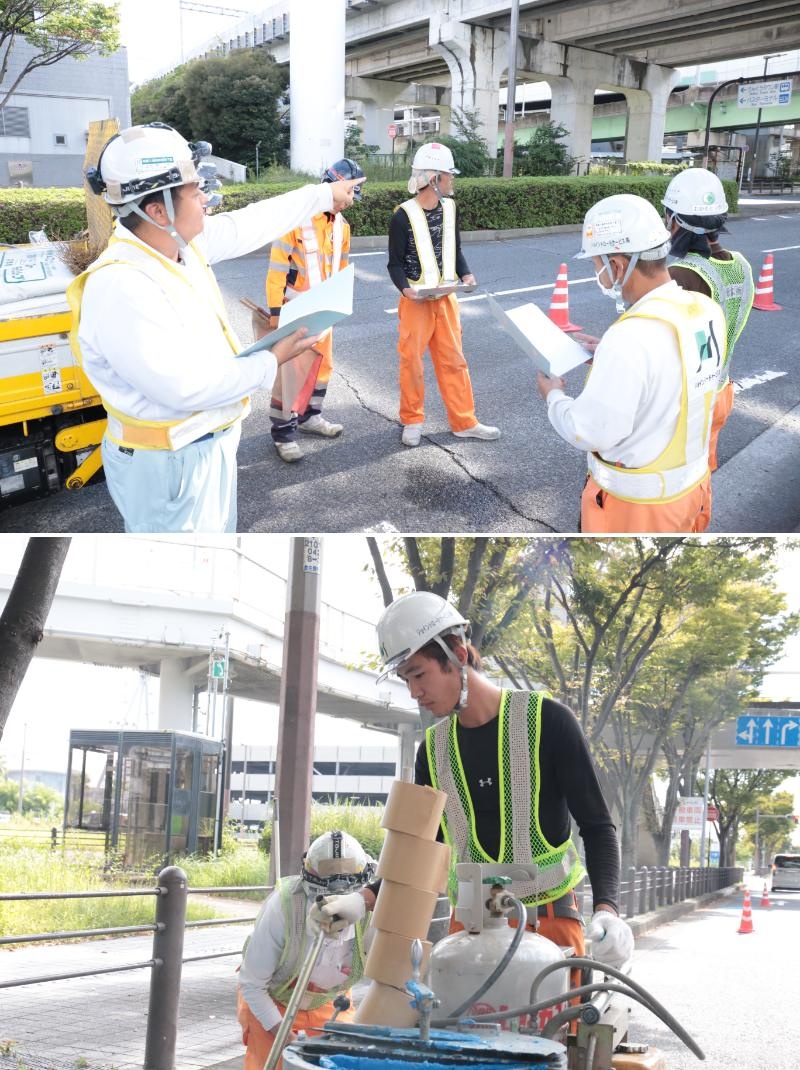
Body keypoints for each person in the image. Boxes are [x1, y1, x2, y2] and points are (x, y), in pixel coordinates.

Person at [313, 591, 634, 972]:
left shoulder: (549, 722)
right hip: (468, 933)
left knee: (553, 1030)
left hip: (548, 926)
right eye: (405, 679)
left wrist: (607, 910)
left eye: (419, 674)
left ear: (458, 656)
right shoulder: (431, 751)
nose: (414, 692)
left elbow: (597, 826)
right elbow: (419, 853)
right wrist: (364, 898)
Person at [67, 122, 363, 532]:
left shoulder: (177, 248)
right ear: (157, 210)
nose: (206, 198)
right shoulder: (122, 285)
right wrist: (272, 359)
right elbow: (186, 387)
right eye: (194, 191)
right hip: (169, 466)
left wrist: (322, 195)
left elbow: (250, 223)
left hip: (199, 450)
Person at [536, 193, 727, 534]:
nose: (599, 272)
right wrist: (607, 353)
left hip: (636, 511)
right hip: (693, 493)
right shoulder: (703, 309)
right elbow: (676, 377)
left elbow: (590, 430)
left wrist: (553, 396)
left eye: (598, 264)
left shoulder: (630, 339)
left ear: (618, 265)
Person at [386, 142, 499, 447]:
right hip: (416, 303)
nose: (453, 180)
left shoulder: (451, 208)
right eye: (449, 175)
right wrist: (406, 291)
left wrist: (466, 274)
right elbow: (394, 264)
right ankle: (412, 420)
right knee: (411, 362)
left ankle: (464, 422)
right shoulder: (402, 216)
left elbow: (456, 249)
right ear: (434, 179)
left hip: (446, 299)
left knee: (454, 361)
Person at [237, 830, 374, 1070]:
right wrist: (285, 1038)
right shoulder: (283, 908)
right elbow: (253, 985)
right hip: (273, 1003)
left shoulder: (369, 910)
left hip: (330, 1002)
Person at [261, 158, 365, 463]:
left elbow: (341, 268)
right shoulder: (296, 220)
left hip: (324, 311)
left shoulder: (342, 226)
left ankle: (309, 416)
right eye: (349, 195)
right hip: (294, 313)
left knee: (321, 368)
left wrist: (339, 303)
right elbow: (277, 271)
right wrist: (276, 312)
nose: (349, 204)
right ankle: (283, 432)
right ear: (334, 188)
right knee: (291, 374)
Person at [663, 168, 755, 472]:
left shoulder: (681, 275)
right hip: (720, 392)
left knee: (675, 484)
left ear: (675, 221)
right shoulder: (741, 266)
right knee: (701, 474)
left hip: (686, 404)